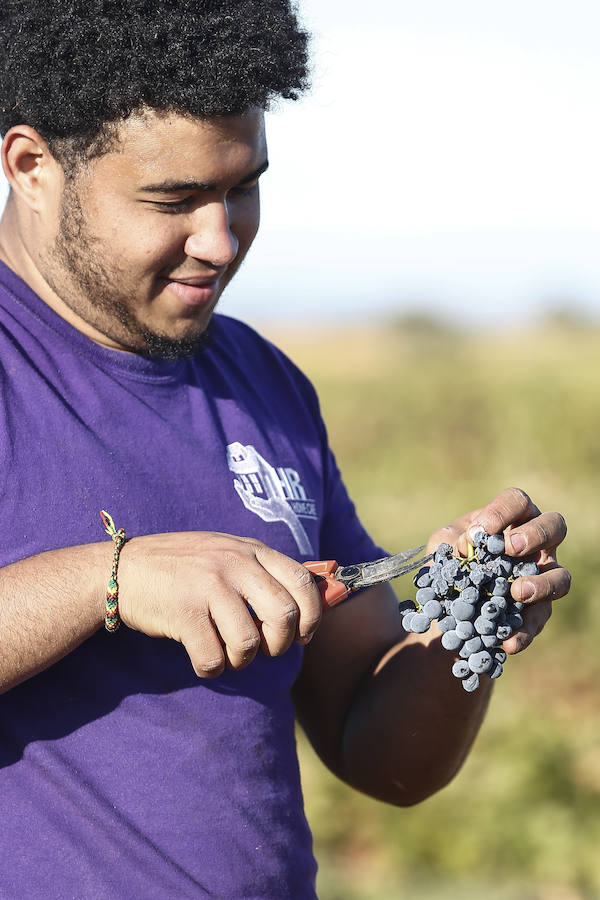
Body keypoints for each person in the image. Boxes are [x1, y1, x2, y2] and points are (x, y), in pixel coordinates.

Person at [0, 2, 570, 898]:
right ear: (33, 166)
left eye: (242, 188)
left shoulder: (263, 385)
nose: (220, 242)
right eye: (173, 199)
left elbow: (380, 757)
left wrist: (475, 625)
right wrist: (109, 581)